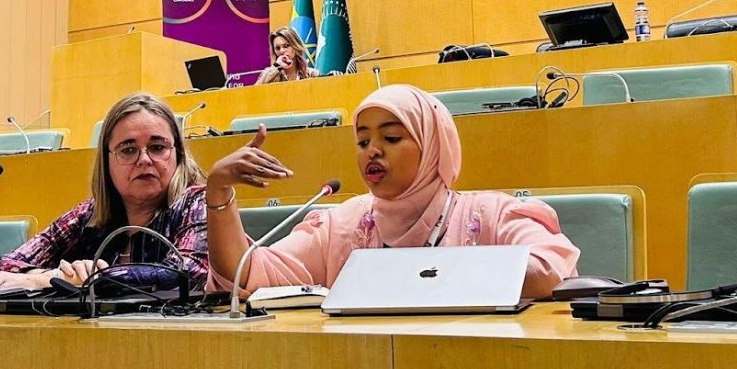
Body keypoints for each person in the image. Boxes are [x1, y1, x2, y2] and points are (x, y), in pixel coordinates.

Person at [205, 84, 580, 300]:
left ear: (433, 145)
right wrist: (219, 193)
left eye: (392, 137)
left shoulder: (490, 215)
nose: (372, 150)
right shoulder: (342, 225)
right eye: (362, 139)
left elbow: (551, 272)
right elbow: (246, 275)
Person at [0, 93, 208, 291]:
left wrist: (77, 279)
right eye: (128, 150)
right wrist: (47, 276)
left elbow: (186, 273)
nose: (144, 160)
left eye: (157, 147)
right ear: (106, 162)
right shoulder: (88, 214)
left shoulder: (197, 202)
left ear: (177, 153)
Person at [255, 27, 320, 84]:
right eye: (278, 48)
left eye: (286, 46)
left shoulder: (311, 74)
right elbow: (255, 90)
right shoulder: (270, 73)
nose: (282, 51)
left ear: (295, 46)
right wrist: (277, 66)